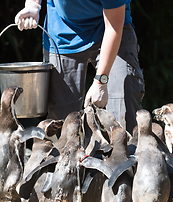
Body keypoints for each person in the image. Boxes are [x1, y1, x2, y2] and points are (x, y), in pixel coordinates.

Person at [15, 0, 145, 135]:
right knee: (62, 122)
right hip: (62, 30)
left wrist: (101, 82)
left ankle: (127, 153)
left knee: (124, 109)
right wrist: (33, 5)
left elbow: (113, 27)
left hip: (110, 27)